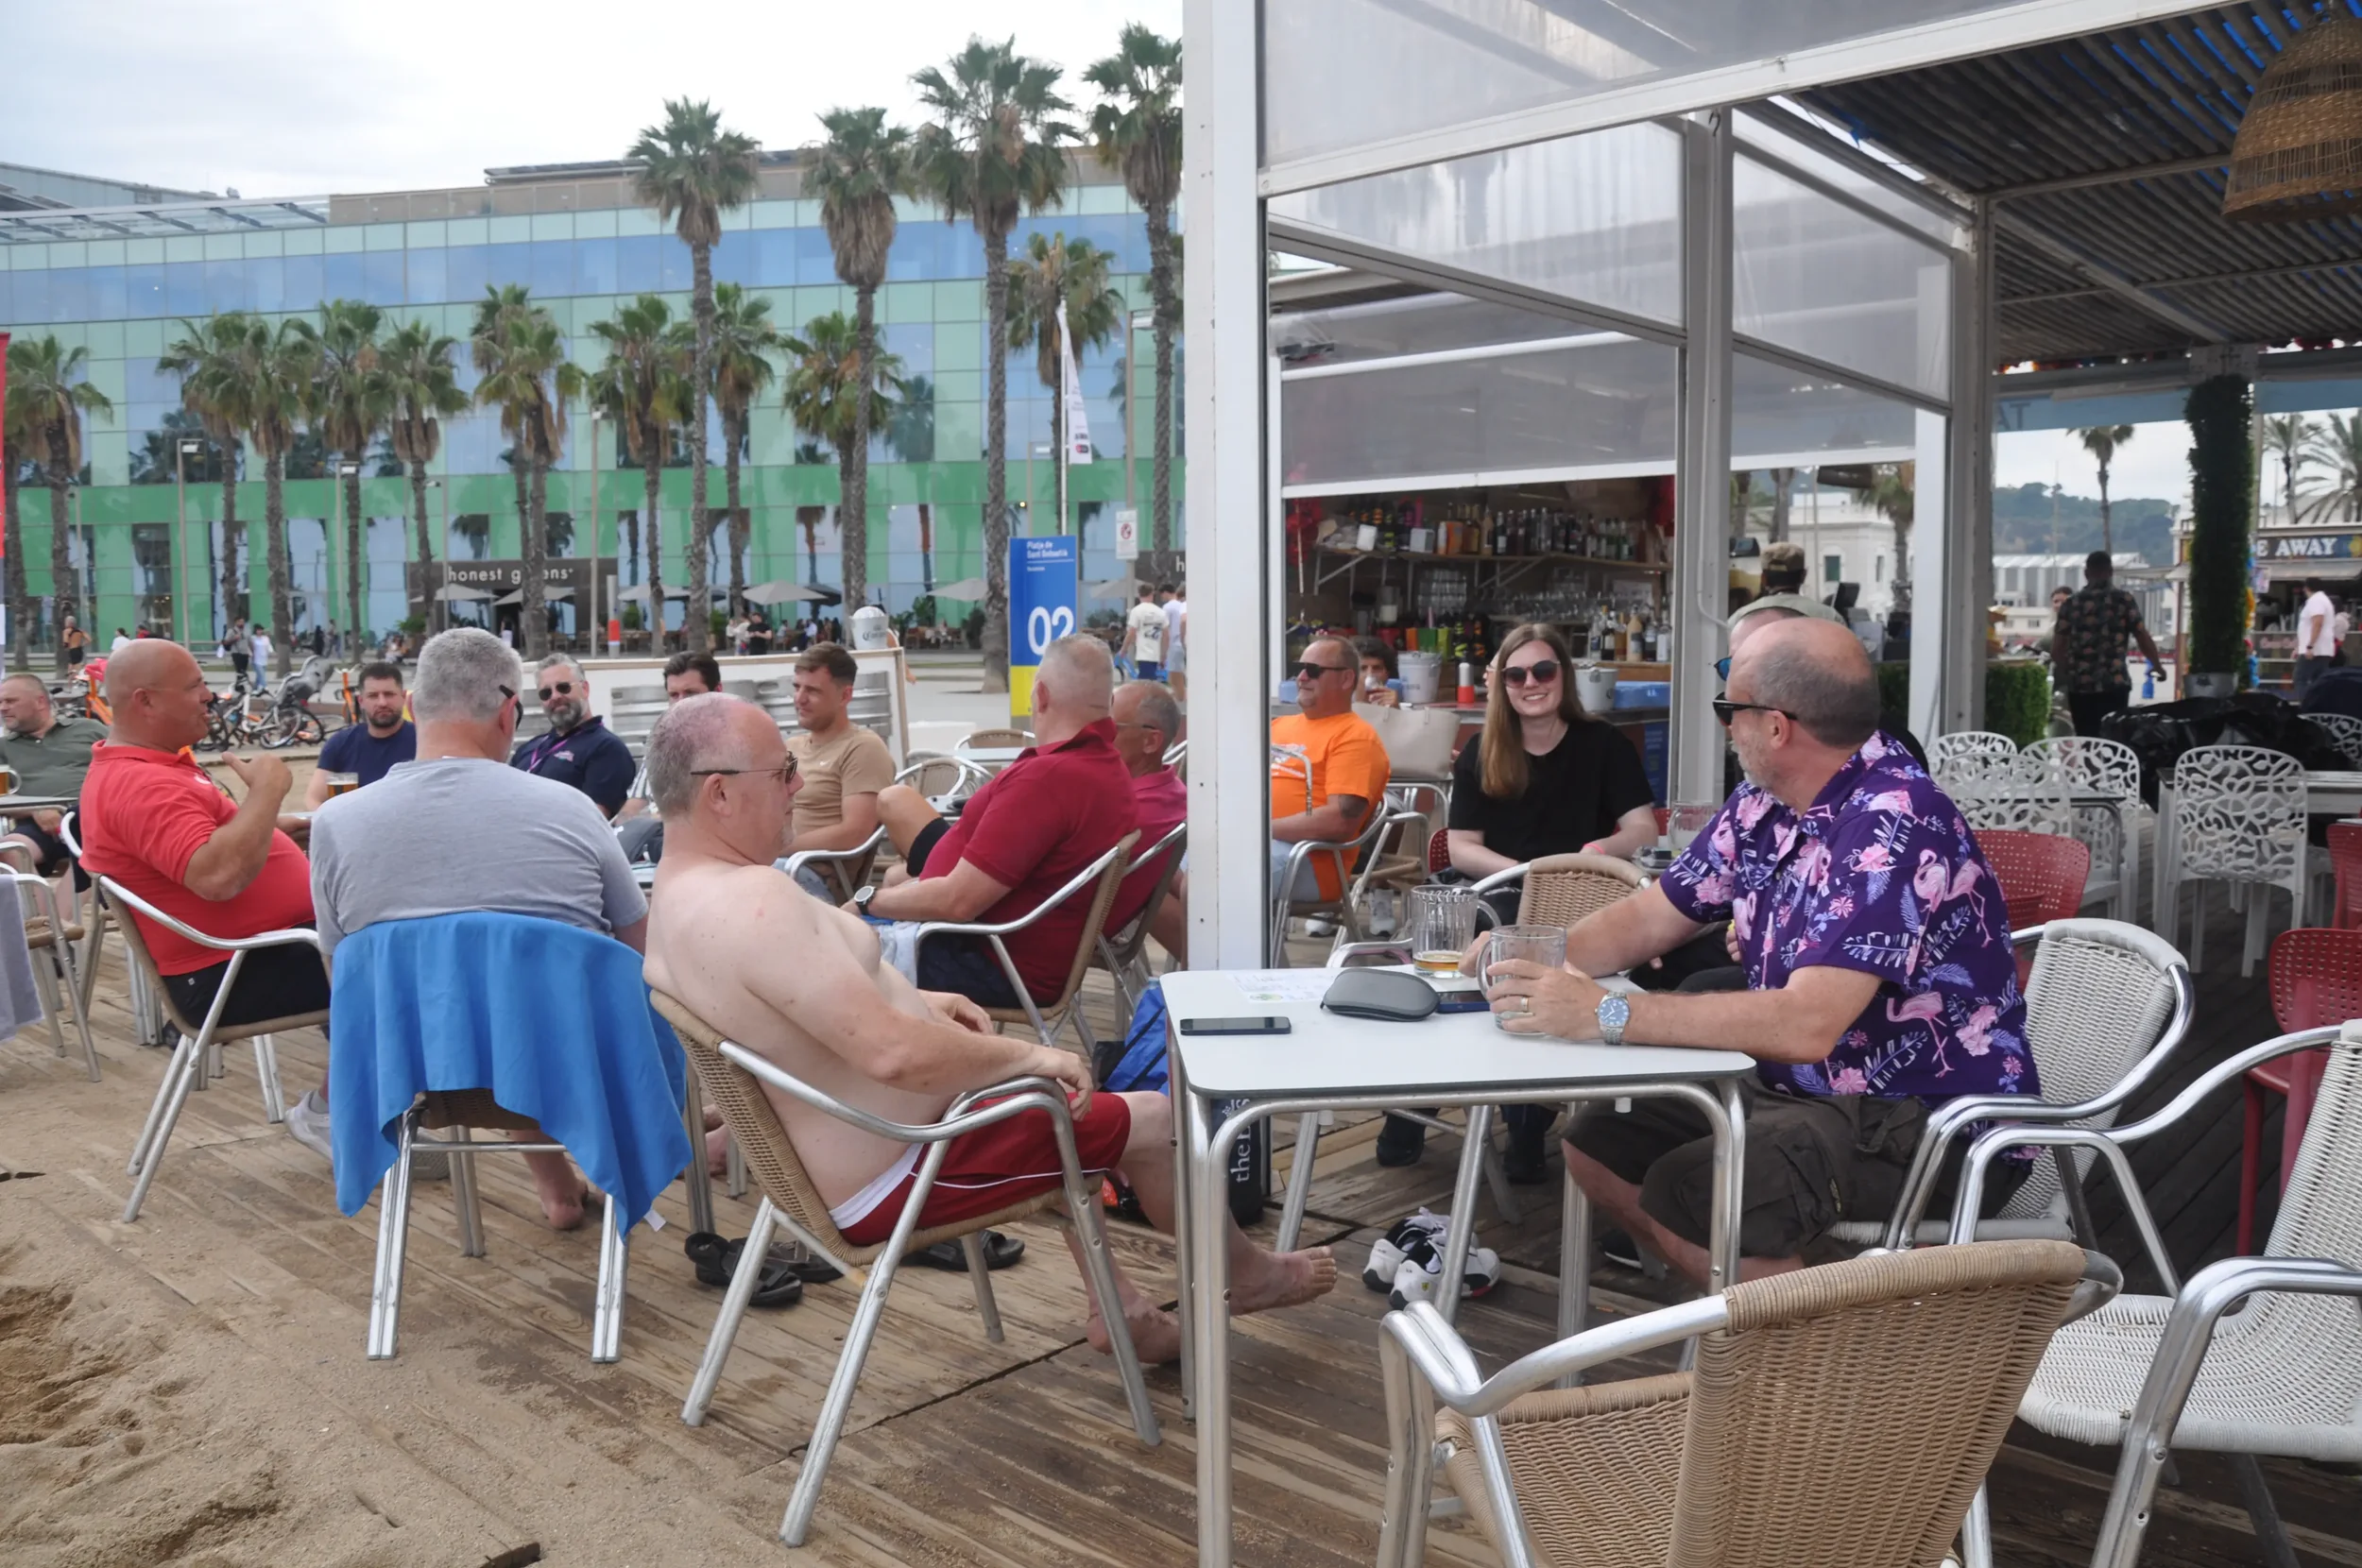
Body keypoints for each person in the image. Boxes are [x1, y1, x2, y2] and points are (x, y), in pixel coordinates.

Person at [642, 692, 1334, 1361]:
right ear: (719, 795)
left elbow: (811, 1011)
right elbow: (892, 1054)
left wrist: (924, 999)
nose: (797, 784)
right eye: (783, 771)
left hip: (862, 1154)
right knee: (1149, 1118)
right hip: (911, 1165)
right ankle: (1249, 1274)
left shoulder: (678, 900)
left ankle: (1119, 1305)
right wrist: (1026, 1056)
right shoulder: (753, 902)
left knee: (1062, 1115)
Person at [1476, 618, 2037, 1286]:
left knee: (1695, 1191)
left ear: (1776, 726)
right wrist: (1531, 955)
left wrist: (1608, 1013)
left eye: (1727, 709)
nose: (1724, 727)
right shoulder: (1762, 803)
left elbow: (1807, 1024)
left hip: (1927, 1119)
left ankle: (1828, 1364)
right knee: (1596, 1145)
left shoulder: (1894, 821)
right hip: (1802, 1089)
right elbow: (1654, 916)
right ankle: (1786, 1314)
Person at [310, 628, 649, 1231]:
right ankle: (611, 1169)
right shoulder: (569, 809)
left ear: (412, 707)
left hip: (419, 1074)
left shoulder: (335, 824)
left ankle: (557, 1191)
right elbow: (637, 949)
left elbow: (346, 977)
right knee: (532, 1006)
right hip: (569, 1063)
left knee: (482, 1008)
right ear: (509, 711)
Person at [80, 640, 332, 1157]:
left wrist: (277, 830)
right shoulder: (142, 784)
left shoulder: (149, 767)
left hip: (249, 954)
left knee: (393, 945)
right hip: (227, 972)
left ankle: (372, 1098)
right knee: (407, 965)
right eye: (195, 686)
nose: (210, 697)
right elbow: (216, 877)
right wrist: (267, 792)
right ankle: (333, 1111)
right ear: (145, 702)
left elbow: (204, 844)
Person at [868, 635, 1137, 1008]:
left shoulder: (1049, 779)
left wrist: (868, 902)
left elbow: (957, 902)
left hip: (986, 957)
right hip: (1008, 950)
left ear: (1040, 695)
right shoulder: (1107, 769)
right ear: (1107, 704)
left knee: (817, 953)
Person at [1271, 636, 1390, 904]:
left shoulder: (1356, 737)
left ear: (1346, 679)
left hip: (1311, 858)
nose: (1301, 677)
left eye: (1313, 671)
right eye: (1298, 669)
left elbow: (1339, 821)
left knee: (1214, 881)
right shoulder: (1277, 726)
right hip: (1260, 847)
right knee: (1164, 869)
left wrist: (1258, 829)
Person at [785, 642, 895, 869]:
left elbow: (854, 833)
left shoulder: (863, 748)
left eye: (812, 691)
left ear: (845, 696)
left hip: (811, 874)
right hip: (774, 866)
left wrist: (777, 850)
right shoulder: (792, 746)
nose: (799, 699)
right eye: (797, 687)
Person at [0, 673, 110, 876]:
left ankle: (60, 909)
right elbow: (1, 797)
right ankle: (39, 908)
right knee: (11, 851)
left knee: (98, 852)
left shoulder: (89, 729)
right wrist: (36, 809)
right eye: (1, 702)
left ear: (40, 701)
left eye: (10, 701)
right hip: (40, 826)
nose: (2, 707)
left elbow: (128, 762)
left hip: (97, 819)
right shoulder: (4, 747)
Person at [509, 654, 635, 819]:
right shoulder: (529, 748)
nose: (555, 697)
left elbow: (592, 822)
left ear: (585, 689)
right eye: (546, 693)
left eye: (563, 687)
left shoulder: (606, 748)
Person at [2052, 551, 2163, 737]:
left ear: (2087, 573)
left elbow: (2057, 649)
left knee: (2088, 741)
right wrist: (2158, 666)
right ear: (2110, 572)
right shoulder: (2123, 601)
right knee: (2115, 740)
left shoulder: (2072, 604)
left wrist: (2071, 671)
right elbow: (2142, 636)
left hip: (2081, 687)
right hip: (2115, 683)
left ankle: (2090, 766)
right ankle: (2112, 767)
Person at [614, 652, 723, 828]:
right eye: (674, 695)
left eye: (690, 693)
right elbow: (633, 807)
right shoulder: (661, 741)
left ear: (717, 691)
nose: (680, 703)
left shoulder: (737, 742)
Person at [304, 661, 417, 807]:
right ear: (361, 701)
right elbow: (314, 799)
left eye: (389, 694)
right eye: (373, 696)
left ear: (403, 697)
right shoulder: (340, 744)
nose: (382, 703)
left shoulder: (424, 741)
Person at [2296, 576, 2338, 701]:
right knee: (2319, 681)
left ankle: (2306, 707)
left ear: (2307, 588)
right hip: (2322, 649)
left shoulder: (2316, 601)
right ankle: (2320, 706)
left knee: (2300, 677)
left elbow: (2317, 623)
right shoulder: (2324, 600)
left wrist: (2310, 646)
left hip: (2315, 650)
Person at [1122, 584, 1167, 681]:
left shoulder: (1136, 611)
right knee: (1151, 680)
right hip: (1156, 653)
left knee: (1145, 683)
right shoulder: (1161, 612)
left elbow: (1131, 632)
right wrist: (1164, 655)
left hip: (1143, 653)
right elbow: (1166, 636)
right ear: (1152, 594)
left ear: (1139, 595)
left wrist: (1124, 649)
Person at [1351, 637, 1403, 707]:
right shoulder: (1338, 705)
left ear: (1387, 673)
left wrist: (1395, 711)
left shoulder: (1396, 699)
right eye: (1363, 668)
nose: (1370, 674)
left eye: (1377, 668)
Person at [1159, 584, 1187, 703]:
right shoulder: (1182, 605)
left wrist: (1162, 652)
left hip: (1174, 643)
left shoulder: (1167, 607)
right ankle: (1178, 695)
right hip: (1182, 642)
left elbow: (1165, 629)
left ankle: (1181, 699)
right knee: (1177, 673)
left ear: (1166, 592)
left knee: (1175, 675)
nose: (1162, 598)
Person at [225, 618, 251, 686]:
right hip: (236, 653)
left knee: (244, 671)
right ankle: (239, 685)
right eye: (240, 622)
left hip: (245, 653)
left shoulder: (246, 631)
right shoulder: (231, 631)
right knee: (239, 671)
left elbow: (249, 642)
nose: (242, 623)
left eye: (243, 622)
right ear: (236, 622)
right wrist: (234, 638)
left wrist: (251, 651)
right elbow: (226, 642)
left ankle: (242, 685)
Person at [248, 624, 273, 693]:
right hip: (256, 660)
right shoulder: (253, 638)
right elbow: (250, 648)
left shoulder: (265, 638)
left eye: (261, 630)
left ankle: (255, 688)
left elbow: (268, 646)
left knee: (259, 676)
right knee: (261, 675)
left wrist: (271, 652)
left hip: (264, 659)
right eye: (258, 630)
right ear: (255, 631)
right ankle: (265, 687)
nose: (260, 631)